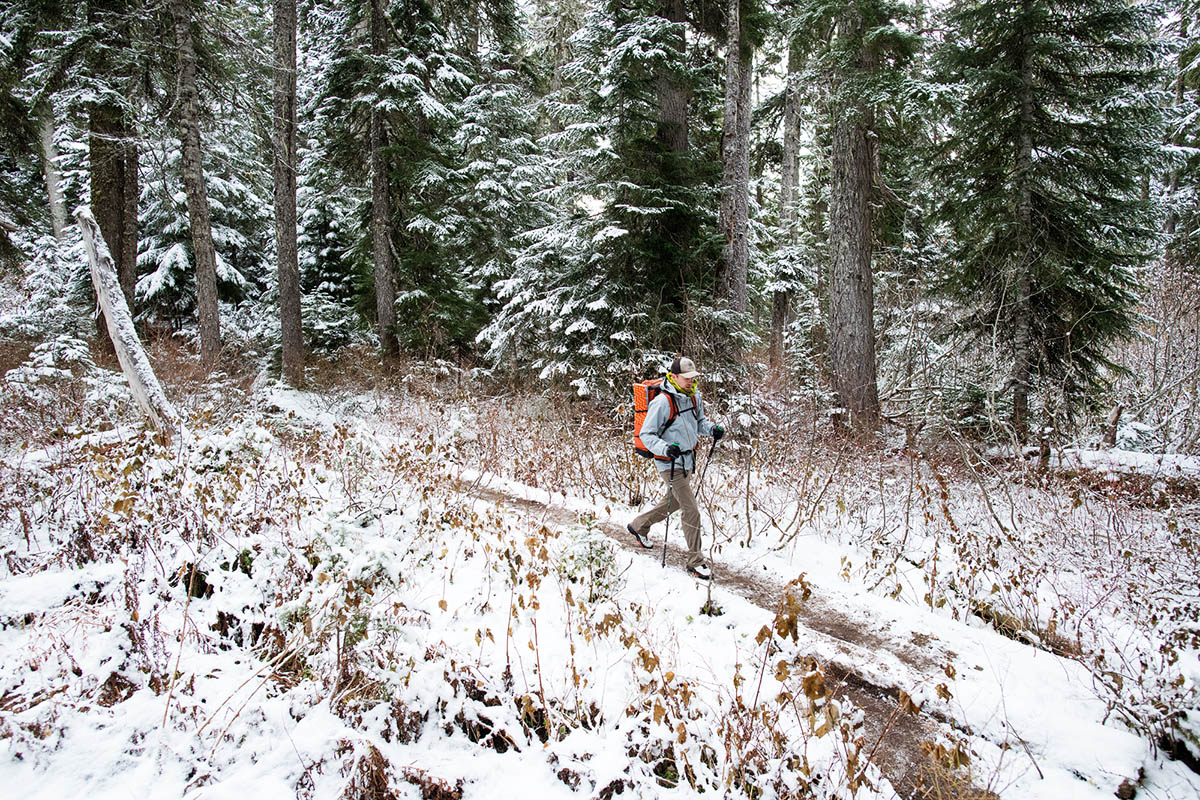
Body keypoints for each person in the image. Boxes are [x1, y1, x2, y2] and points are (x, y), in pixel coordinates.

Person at [627, 356, 724, 580]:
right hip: (668, 463)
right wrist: (665, 448)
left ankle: (638, 525)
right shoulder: (661, 402)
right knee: (691, 508)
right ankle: (695, 561)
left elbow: (699, 423)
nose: (691, 382)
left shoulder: (694, 397)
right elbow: (647, 434)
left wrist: (712, 429)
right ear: (674, 376)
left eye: (693, 378)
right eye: (687, 378)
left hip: (688, 460)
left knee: (673, 502)